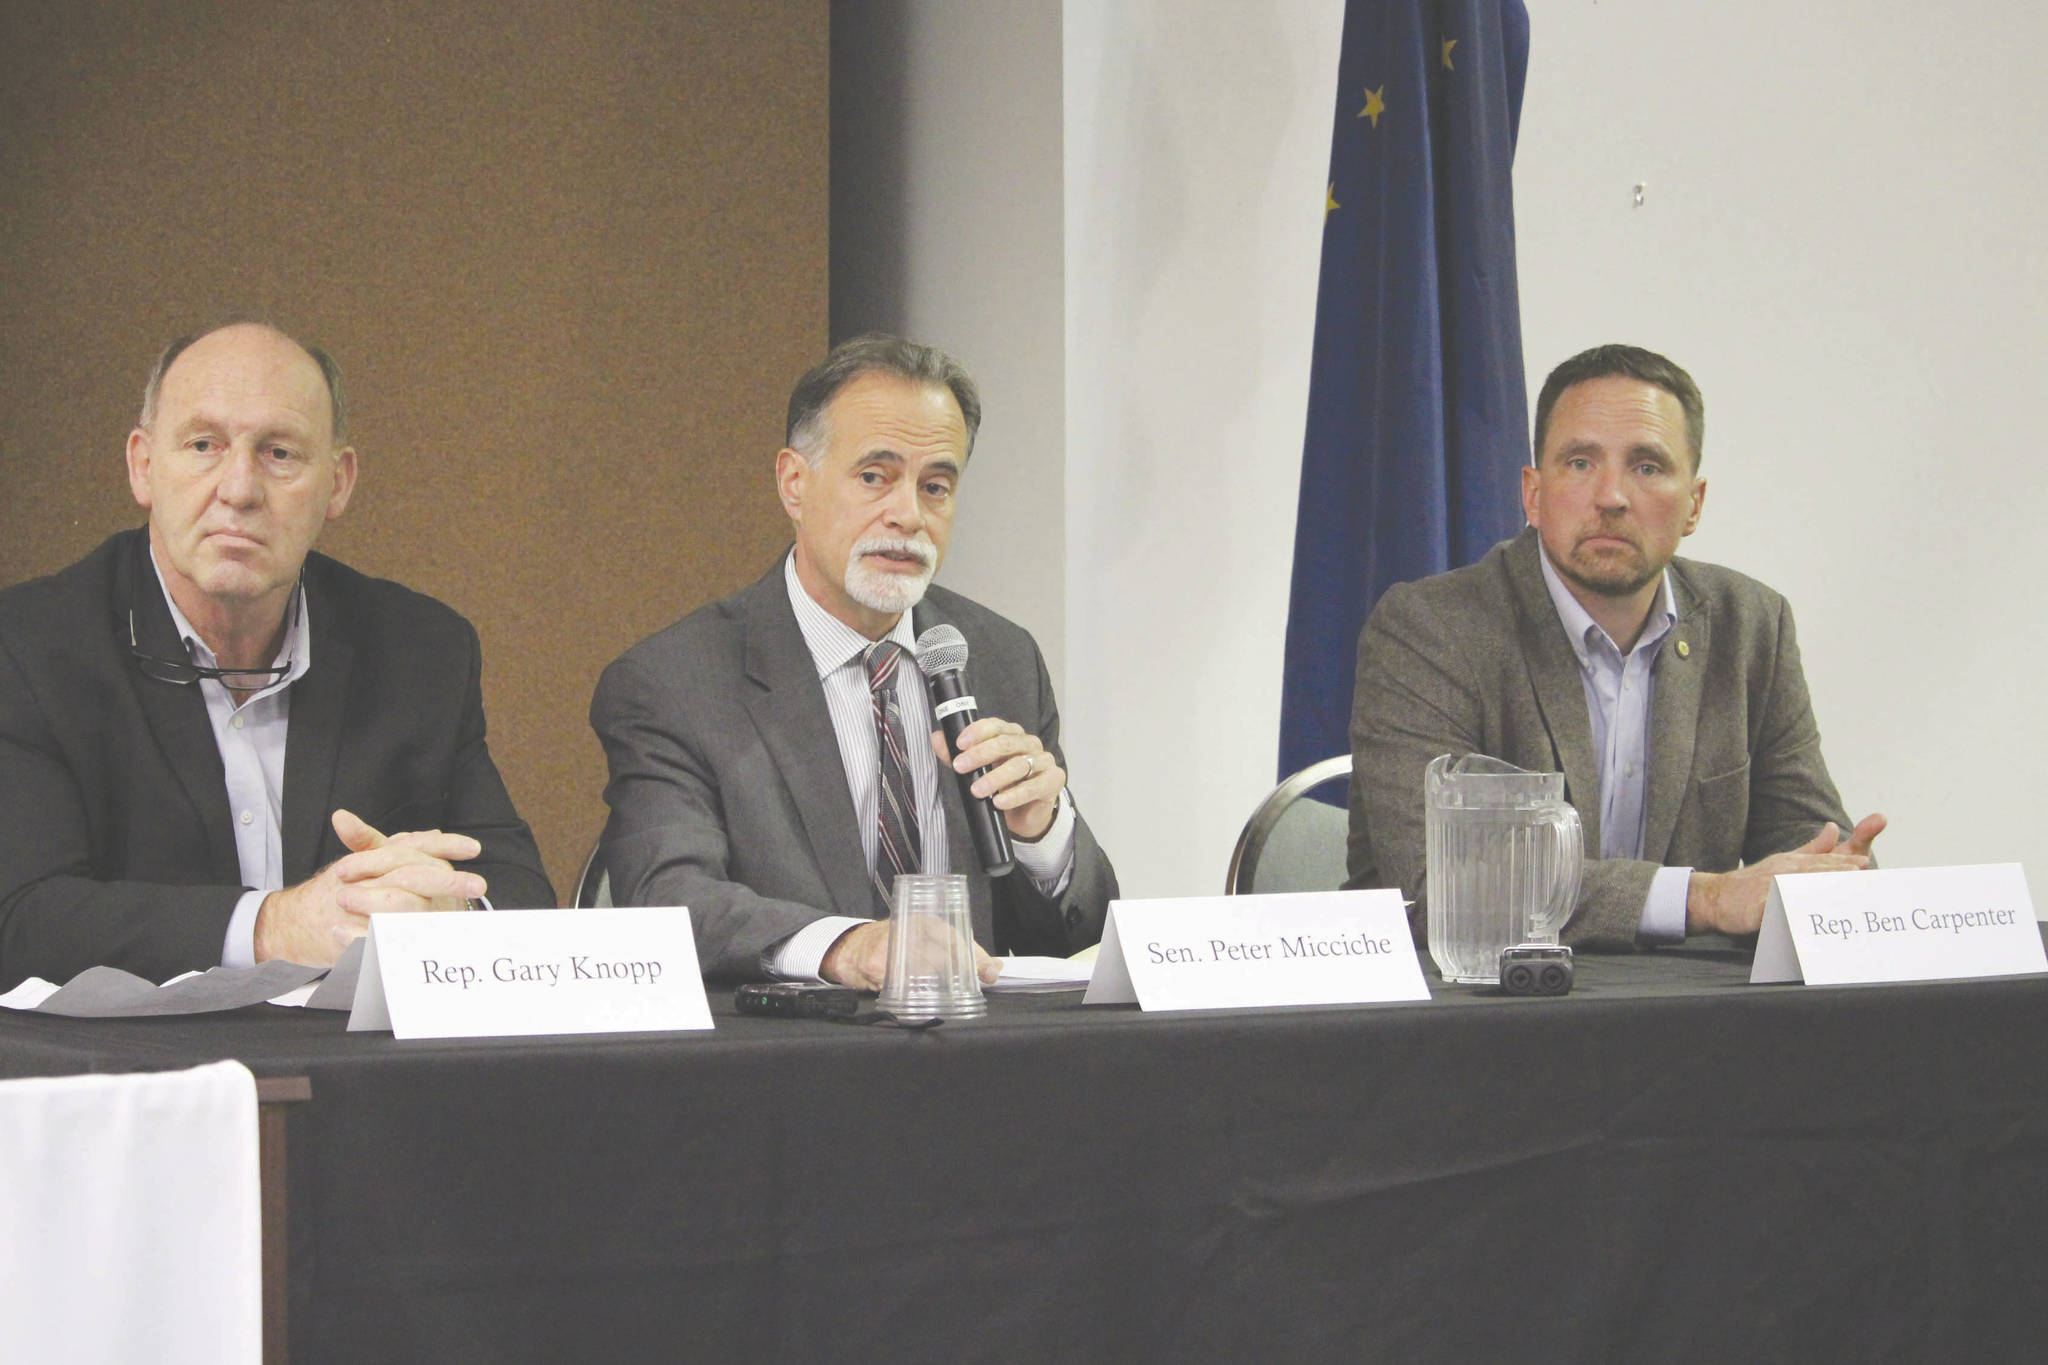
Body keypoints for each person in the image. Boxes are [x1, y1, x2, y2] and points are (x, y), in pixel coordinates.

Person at [0, 322, 553, 990]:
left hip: (362, 1084)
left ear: (339, 483)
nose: (239, 488)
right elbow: (24, 918)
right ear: (143, 466)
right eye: (204, 445)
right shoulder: (29, 648)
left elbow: (518, 891)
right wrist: (270, 926)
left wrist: (449, 908)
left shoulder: (421, 651)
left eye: (280, 453)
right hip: (138, 1082)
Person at [591, 334, 1116, 983]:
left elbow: (1081, 931)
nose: (908, 515)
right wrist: (849, 947)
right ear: (794, 483)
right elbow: (667, 899)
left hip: (983, 1061)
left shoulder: (1001, 655)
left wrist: (1043, 834)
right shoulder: (675, 682)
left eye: (936, 486)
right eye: (875, 477)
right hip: (790, 1068)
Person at [1347, 343, 1884, 949]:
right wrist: (1704, 898)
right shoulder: (1431, 629)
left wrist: (1833, 880)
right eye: (1580, 463)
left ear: (1694, 506)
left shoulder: (1752, 625)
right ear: (1533, 494)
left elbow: (1799, 836)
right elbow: (1446, 883)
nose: (1611, 497)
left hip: (1681, 1022)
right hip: (1471, 1018)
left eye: (1647, 467)